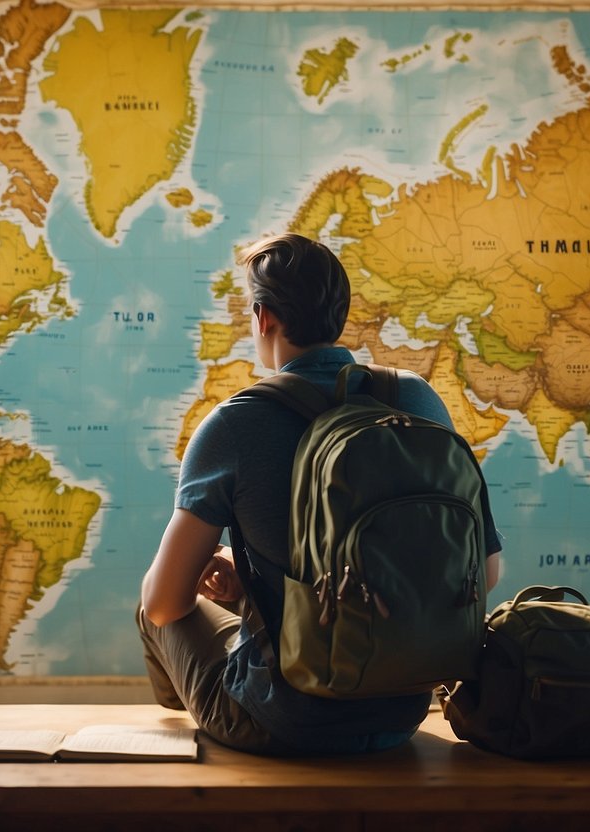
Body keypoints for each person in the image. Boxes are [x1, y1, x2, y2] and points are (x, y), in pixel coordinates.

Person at [138, 232, 502, 755]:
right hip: (402, 710)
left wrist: (246, 579)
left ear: (264, 318)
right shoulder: (415, 399)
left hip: (283, 723)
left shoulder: (234, 425)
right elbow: (485, 573)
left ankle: (203, 750)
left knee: (149, 601)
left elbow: (164, 605)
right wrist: (255, 582)